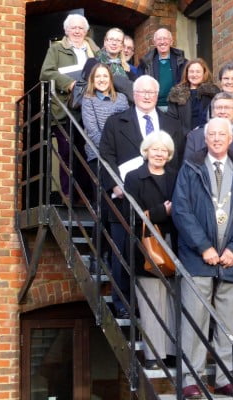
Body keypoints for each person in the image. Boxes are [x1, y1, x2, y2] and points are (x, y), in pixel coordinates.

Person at [172, 117, 233, 398]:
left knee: (228, 323)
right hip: (199, 257)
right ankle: (191, 378)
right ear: (205, 138)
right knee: (195, 319)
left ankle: (226, 377)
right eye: (212, 134)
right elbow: (181, 210)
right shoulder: (190, 167)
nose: (217, 138)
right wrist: (203, 247)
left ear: (232, 137)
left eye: (222, 134)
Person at [99, 75, 183, 319]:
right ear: (133, 95)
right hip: (125, 198)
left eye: (151, 92)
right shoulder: (116, 123)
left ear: (158, 96)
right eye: (142, 92)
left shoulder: (173, 124)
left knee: (161, 252)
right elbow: (106, 156)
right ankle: (124, 303)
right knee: (124, 253)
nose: (146, 96)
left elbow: (177, 160)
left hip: (162, 200)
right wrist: (115, 186)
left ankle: (162, 311)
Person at [123, 131, 177, 370]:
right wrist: (159, 213)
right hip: (147, 244)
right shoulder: (134, 177)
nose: (159, 154)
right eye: (155, 149)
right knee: (152, 301)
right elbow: (129, 214)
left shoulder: (176, 177)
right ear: (146, 151)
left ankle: (174, 352)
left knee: (174, 301)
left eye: (164, 150)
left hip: (174, 242)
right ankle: (155, 355)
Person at [40, 13, 99, 199]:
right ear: (66, 30)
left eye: (81, 28)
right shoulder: (57, 50)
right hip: (64, 109)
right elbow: (46, 73)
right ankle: (68, 194)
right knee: (66, 152)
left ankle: (85, 196)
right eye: (73, 27)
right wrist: (68, 83)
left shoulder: (95, 52)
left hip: (89, 109)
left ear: (86, 31)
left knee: (86, 152)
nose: (77, 31)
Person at [81, 63, 128, 267]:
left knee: (116, 208)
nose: (101, 80)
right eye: (97, 77)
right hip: (98, 158)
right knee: (102, 206)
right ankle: (97, 256)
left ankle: (113, 256)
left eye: (105, 76)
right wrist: (109, 153)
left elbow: (126, 127)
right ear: (93, 80)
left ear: (111, 79)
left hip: (119, 160)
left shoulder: (123, 100)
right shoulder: (88, 100)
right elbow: (92, 130)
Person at [184, 92, 233, 166]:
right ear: (212, 112)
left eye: (227, 108)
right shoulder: (194, 137)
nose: (222, 112)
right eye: (219, 108)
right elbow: (187, 169)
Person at [138, 28, 188, 111]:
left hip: (177, 107)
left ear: (171, 41)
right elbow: (139, 85)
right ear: (154, 43)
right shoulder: (146, 63)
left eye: (165, 38)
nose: (162, 42)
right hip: (153, 108)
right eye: (159, 39)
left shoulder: (182, 62)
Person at [167, 58, 219, 135]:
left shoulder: (213, 94)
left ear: (204, 73)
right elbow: (172, 119)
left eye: (198, 72)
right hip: (183, 138)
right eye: (191, 71)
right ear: (187, 73)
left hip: (207, 136)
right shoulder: (177, 94)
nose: (194, 75)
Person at [82, 28, 136, 103]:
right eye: (111, 39)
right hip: (99, 106)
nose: (114, 43)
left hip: (124, 108)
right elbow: (88, 89)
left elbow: (136, 91)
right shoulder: (92, 63)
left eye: (118, 40)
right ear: (105, 42)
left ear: (121, 46)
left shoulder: (127, 68)